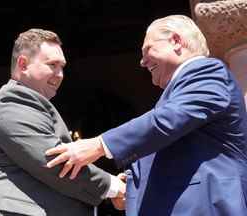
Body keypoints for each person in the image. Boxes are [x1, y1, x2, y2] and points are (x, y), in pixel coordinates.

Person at [45, 15, 247, 216]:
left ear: (176, 41)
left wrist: (99, 145)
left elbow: (166, 121)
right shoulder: (179, 92)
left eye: (147, 50)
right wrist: (131, 186)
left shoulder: (207, 71)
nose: (142, 62)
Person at [0, 28, 125, 215]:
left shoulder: (26, 102)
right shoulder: (12, 100)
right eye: (52, 64)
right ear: (23, 64)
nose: (60, 74)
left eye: (62, 66)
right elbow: (55, 162)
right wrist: (114, 187)